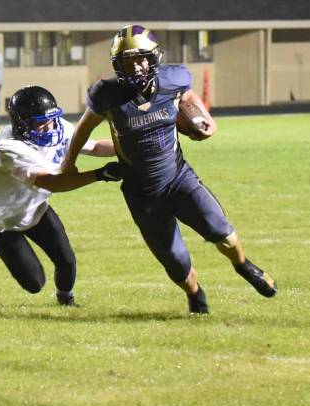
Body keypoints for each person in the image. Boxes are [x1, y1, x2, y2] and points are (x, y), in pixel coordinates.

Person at [62, 25, 277, 315]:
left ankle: (244, 266)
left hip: (178, 177)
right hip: (142, 192)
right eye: (127, 61)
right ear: (117, 64)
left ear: (153, 58)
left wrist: (203, 119)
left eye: (140, 58)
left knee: (221, 231)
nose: (135, 66)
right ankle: (195, 294)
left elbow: (187, 97)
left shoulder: (173, 79)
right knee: (175, 262)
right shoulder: (107, 94)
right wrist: (69, 162)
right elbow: (82, 129)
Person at [0, 86, 120, 306]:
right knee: (35, 283)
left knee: (67, 260)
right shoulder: (8, 149)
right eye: (40, 123)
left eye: (51, 120)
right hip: (2, 216)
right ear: (22, 124)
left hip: (34, 205)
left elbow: (96, 147)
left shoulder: (57, 126)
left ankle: (66, 300)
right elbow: (51, 182)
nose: (50, 127)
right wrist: (99, 175)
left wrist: (133, 146)